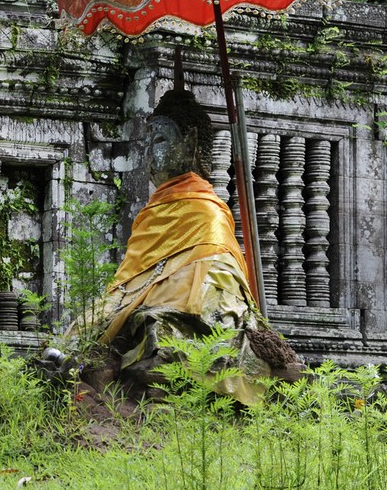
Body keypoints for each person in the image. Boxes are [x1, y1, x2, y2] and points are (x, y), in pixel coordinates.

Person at [93, 88, 297, 405]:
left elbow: (222, 293)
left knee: (162, 327)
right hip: (146, 317)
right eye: (147, 143)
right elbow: (126, 285)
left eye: (159, 141)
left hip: (195, 318)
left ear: (189, 141)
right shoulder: (150, 217)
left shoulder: (209, 215)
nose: (150, 153)